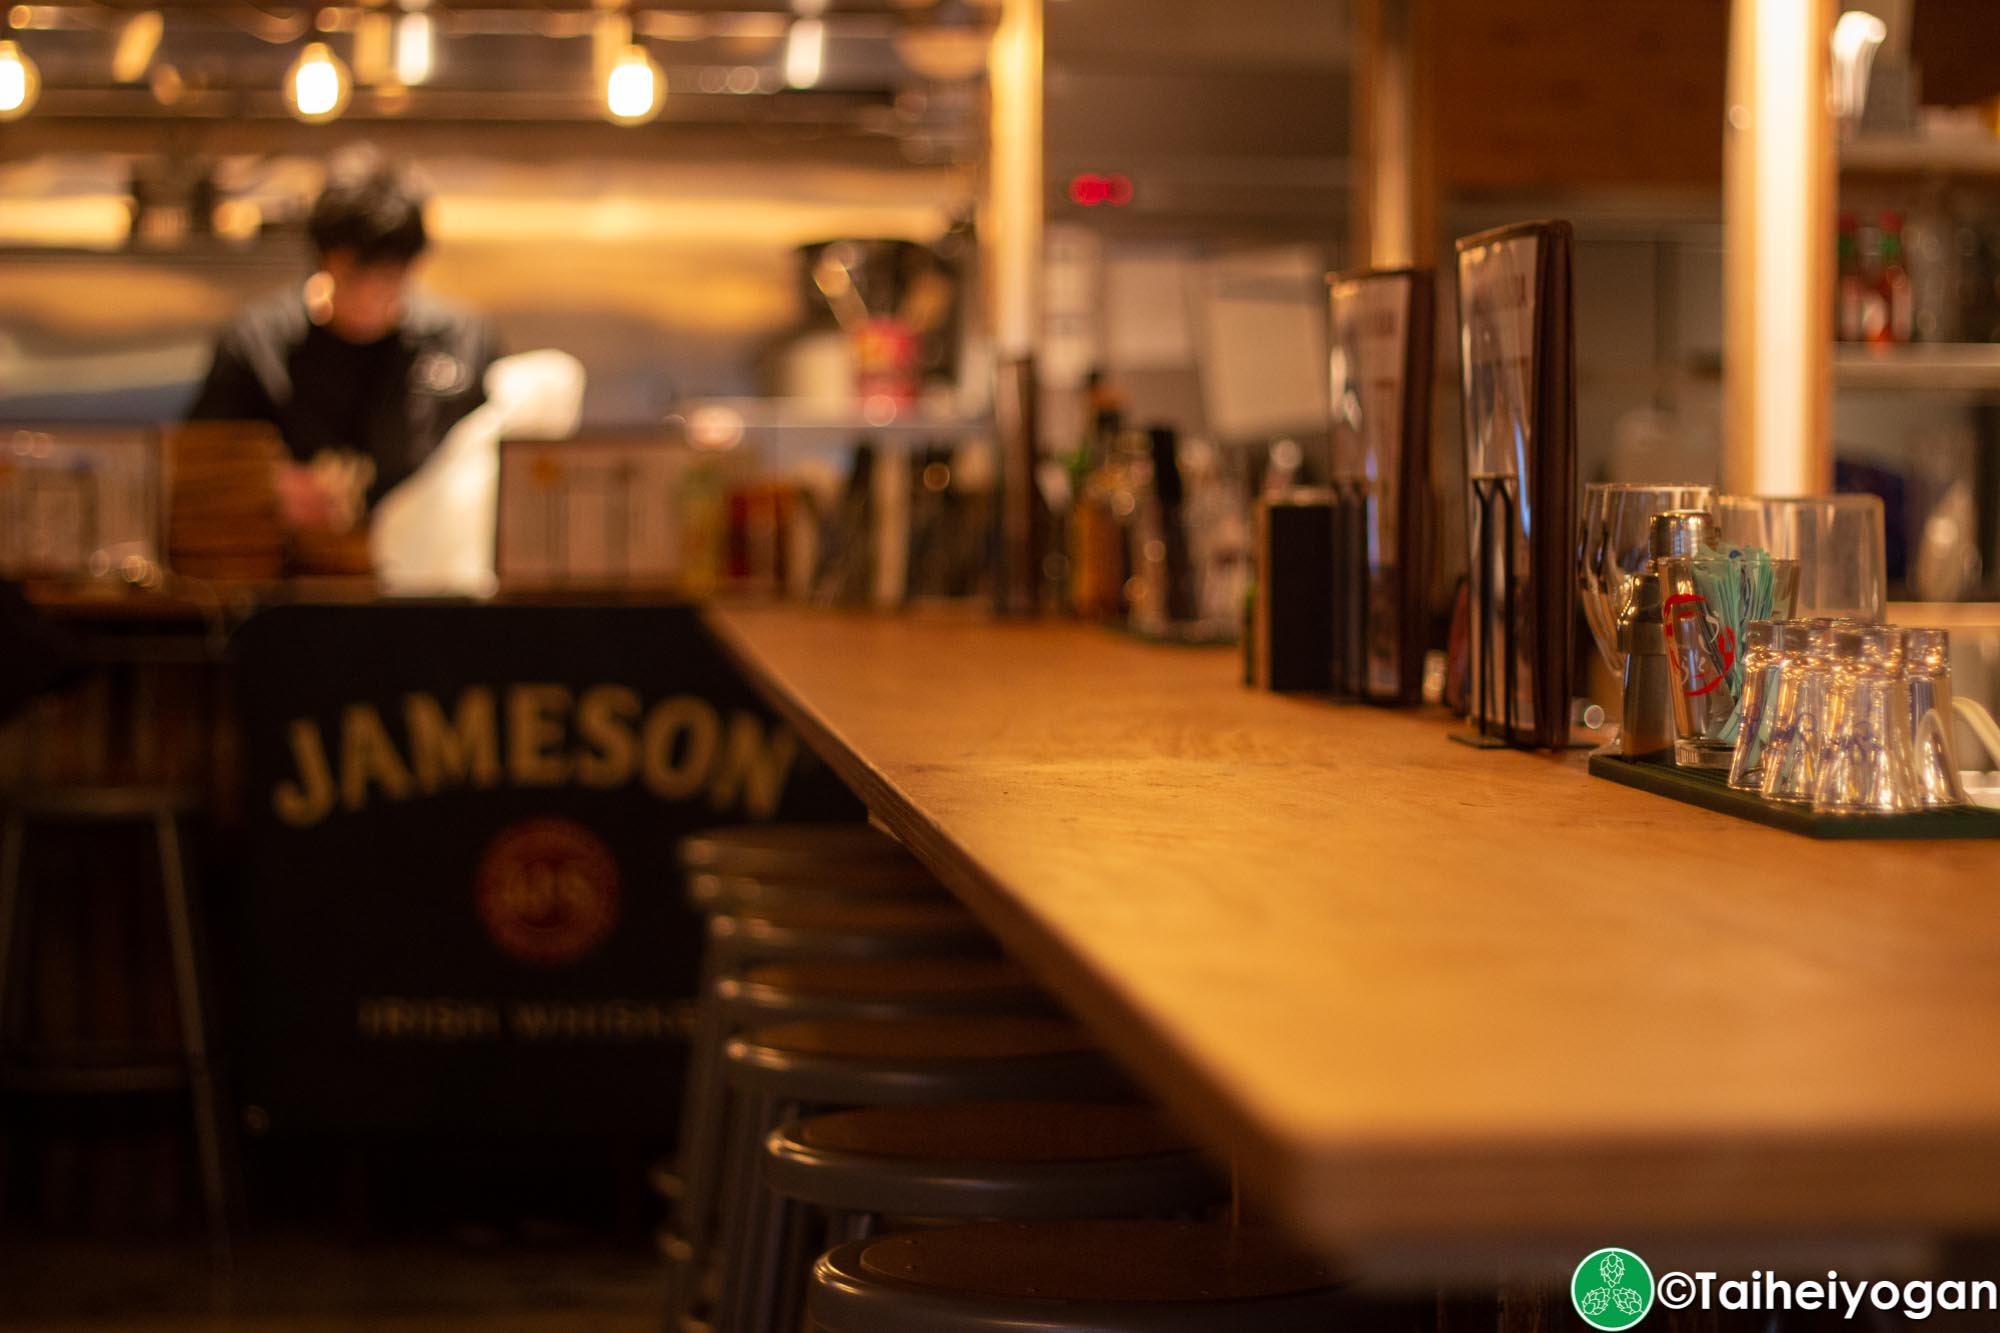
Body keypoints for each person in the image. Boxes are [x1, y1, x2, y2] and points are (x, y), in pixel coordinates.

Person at [185, 146, 500, 529]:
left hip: (428, 576)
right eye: (353, 275)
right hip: (291, 577)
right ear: (323, 260)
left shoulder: (462, 342)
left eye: (388, 277)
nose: (370, 296)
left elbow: (497, 471)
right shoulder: (255, 343)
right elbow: (195, 474)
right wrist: (267, 488)